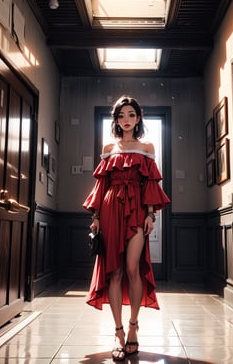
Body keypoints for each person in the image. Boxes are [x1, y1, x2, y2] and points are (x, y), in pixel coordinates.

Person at [83, 95, 170, 361]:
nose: (126, 120)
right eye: (121, 116)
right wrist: (96, 216)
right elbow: (101, 184)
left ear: (138, 117)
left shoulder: (147, 147)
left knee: (133, 268)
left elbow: (152, 185)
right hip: (110, 209)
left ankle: (134, 326)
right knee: (115, 272)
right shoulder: (109, 146)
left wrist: (151, 215)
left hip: (137, 211)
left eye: (131, 115)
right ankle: (118, 332)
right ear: (116, 120)